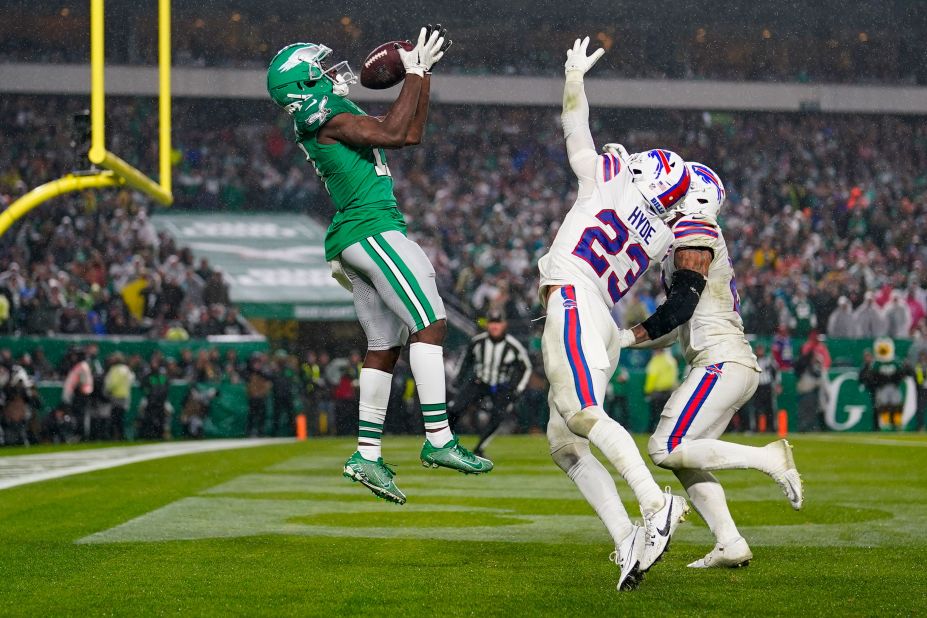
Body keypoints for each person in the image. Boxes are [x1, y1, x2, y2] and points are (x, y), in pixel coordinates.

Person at [266, 26, 490, 507]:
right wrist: (411, 72)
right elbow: (393, 132)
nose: (331, 73)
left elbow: (408, 132)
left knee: (384, 347)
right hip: (371, 229)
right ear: (304, 86)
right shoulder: (324, 114)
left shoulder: (323, 113)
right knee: (429, 324)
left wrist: (421, 75)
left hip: (353, 237)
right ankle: (439, 438)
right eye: (320, 70)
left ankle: (366, 453)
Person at [536, 37, 690, 591]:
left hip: (575, 300)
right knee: (564, 442)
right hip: (601, 314)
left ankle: (655, 504)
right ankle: (626, 536)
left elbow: (577, 134)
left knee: (579, 416)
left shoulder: (613, 177)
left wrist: (574, 79)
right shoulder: (664, 232)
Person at [621, 161, 803, 570]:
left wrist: (622, 337)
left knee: (664, 447)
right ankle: (730, 542)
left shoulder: (695, 226)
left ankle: (769, 458)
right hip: (727, 363)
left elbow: (680, 307)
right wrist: (623, 340)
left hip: (721, 362)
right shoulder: (687, 236)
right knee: (687, 459)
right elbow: (679, 321)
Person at [448, 310, 532, 456]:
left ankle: (480, 448)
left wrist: (517, 389)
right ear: (488, 324)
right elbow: (465, 361)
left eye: (497, 323)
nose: (494, 326)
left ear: (504, 325)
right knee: (455, 409)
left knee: (498, 416)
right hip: (479, 382)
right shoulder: (478, 342)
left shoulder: (513, 345)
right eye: (492, 323)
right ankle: (446, 442)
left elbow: (526, 368)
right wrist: (458, 379)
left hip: (500, 385)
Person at [859, 338, 912, 431]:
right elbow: (871, 375)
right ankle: (885, 424)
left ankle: (897, 423)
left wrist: (899, 377)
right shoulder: (876, 363)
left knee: (897, 405)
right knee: (884, 405)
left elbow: (902, 372)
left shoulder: (895, 361)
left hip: (893, 386)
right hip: (882, 387)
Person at [794, 330, 831, 431]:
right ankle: (806, 426)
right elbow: (803, 362)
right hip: (808, 380)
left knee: (820, 404)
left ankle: (819, 425)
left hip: (818, 380)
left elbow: (826, 363)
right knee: (807, 404)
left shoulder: (821, 350)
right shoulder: (807, 349)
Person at [643, 348, 678, 433]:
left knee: (654, 414)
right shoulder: (671, 360)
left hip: (657, 392)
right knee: (666, 414)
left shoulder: (656, 360)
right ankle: (666, 431)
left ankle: (651, 431)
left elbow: (652, 377)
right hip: (670, 391)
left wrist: (647, 390)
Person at [103, 352, 135, 441]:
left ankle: (114, 436)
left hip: (116, 396)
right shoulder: (126, 369)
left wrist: (106, 391)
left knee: (114, 418)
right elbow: (131, 379)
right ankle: (120, 435)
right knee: (120, 418)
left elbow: (112, 384)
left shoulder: (115, 369)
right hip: (125, 396)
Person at [750, 344, 781, 433]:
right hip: (757, 387)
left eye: (761, 349)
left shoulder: (769, 360)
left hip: (767, 386)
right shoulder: (753, 360)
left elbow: (776, 371)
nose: (760, 352)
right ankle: (756, 428)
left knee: (770, 408)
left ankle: (770, 428)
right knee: (756, 408)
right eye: (758, 349)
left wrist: (777, 384)